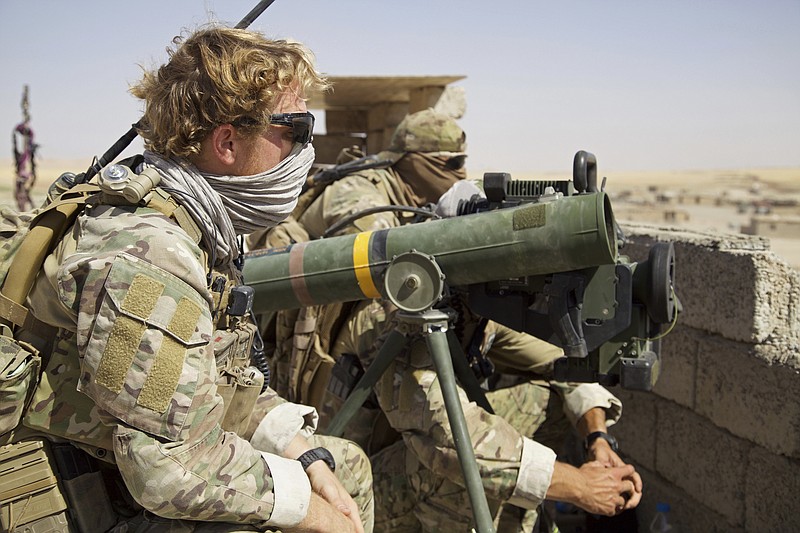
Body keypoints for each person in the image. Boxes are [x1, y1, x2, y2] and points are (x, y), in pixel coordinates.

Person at [6, 26, 372, 533]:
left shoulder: (194, 223)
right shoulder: (152, 256)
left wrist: (301, 451)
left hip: (110, 458)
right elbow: (170, 471)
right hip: (63, 491)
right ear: (226, 142)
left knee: (340, 465)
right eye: (296, 129)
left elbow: (210, 380)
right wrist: (311, 512)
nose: (306, 148)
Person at [248, 109, 642, 532]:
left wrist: (597, 437)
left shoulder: (475, 298)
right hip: (347, 474)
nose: (460, 173)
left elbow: (559, 360)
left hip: (398, 435)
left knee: (544, 404)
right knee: (458, 471)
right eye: (450, 163)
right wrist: (578, 486)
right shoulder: (396, 295)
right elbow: (447, 438)